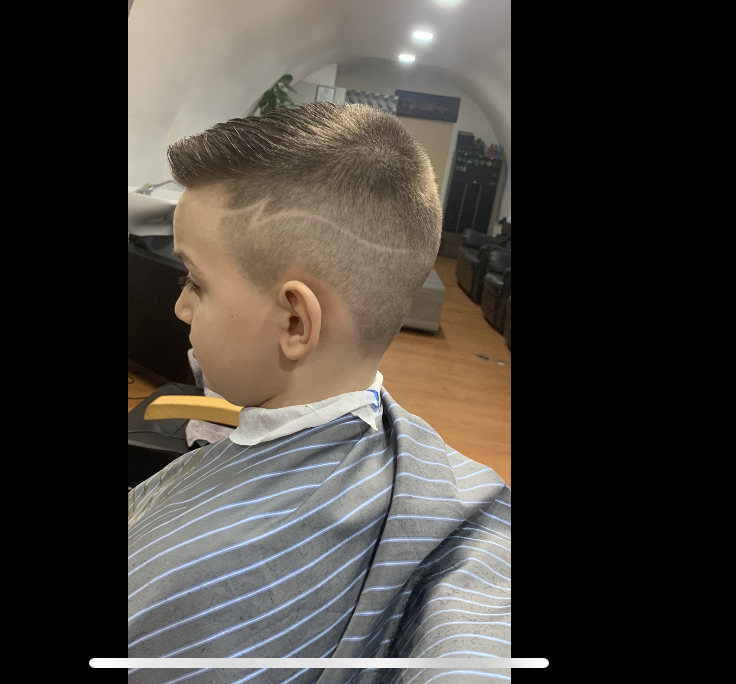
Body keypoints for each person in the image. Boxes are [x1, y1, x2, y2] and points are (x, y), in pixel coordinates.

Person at [127, 103, 511, 683]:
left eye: (195, 282)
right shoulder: (453, 478)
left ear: (295, 323)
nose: (181, 306)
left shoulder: (182, 575)